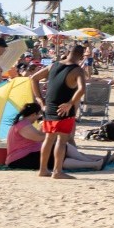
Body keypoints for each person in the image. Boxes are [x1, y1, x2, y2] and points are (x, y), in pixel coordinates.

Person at [5, 102, 114, 171]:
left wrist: (46, 129)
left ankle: (100, 160)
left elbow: (39, 137)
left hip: (27, 154)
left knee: (64, 149)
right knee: (59, 157)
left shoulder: (23, 124)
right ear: (33, 114)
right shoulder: (23, 125)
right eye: (38, 115)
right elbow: (39, 138)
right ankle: (93, 164)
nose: (38, 117)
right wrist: (50, 129)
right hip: (19, 159)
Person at [32, 43, 87, 179]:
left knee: (48, 139)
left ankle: (43, 170)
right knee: (62, 141)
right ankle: (57, 171)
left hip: (49, 107)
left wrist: (40, 99)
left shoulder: (53, 65)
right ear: (81, 56)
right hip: (64, 110)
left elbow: (33, 78)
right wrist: (70, 103)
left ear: (68, 52)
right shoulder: (77, 70)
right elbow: (82, 89)